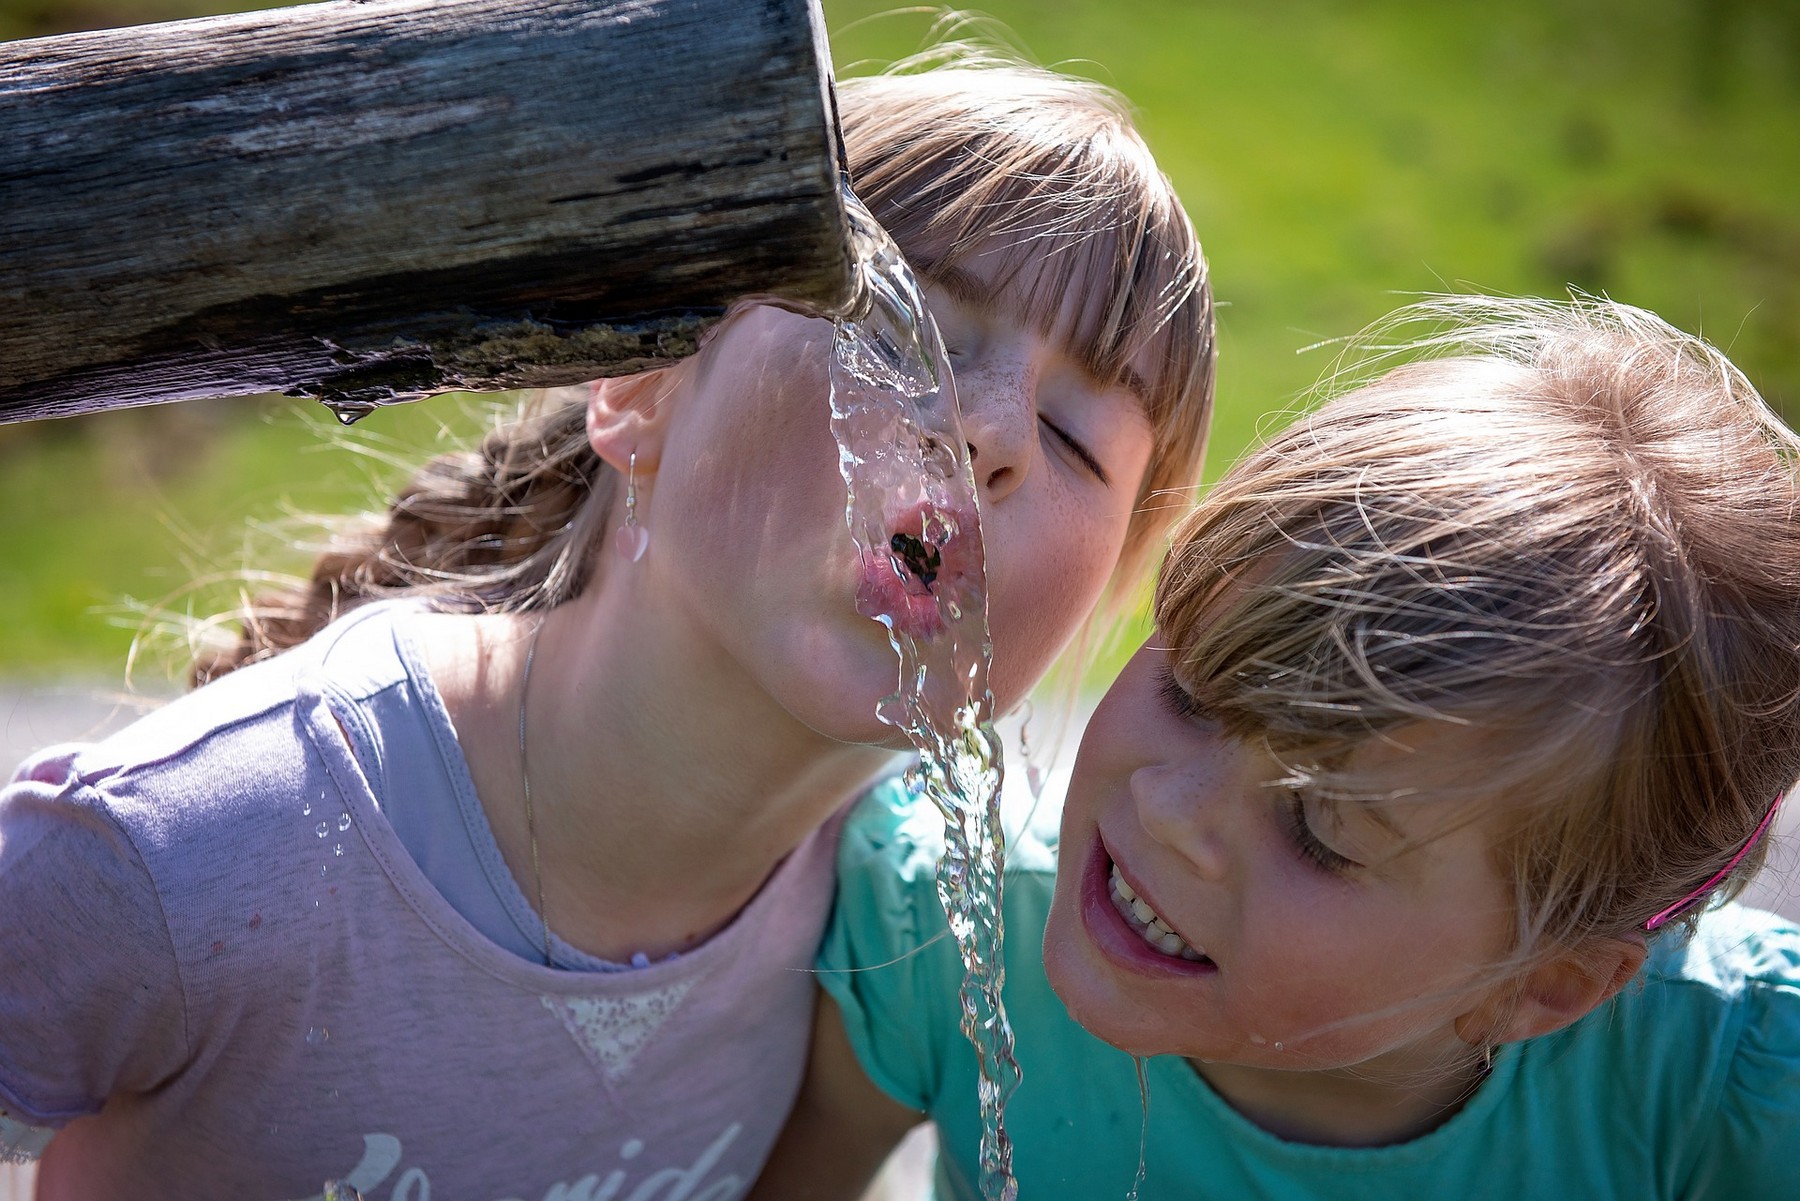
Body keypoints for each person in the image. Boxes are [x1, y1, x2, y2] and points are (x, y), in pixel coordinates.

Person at [0, 57, 1215, 1199]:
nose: (989, 432)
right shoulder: (204, 843)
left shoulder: (902, 933)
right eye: (903, 332)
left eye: (1072, 439)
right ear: (638, 389)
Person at [759, 295, 1800, 1200]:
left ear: (1543, 985)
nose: (1171, 806)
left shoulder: (1724, 1095)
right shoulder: (946, 929)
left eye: (1318, 827)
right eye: (1193, 687)